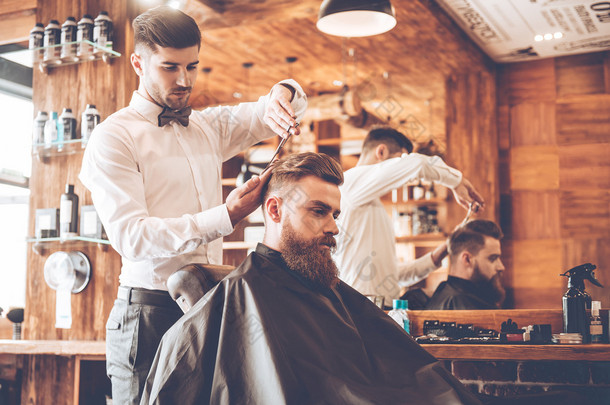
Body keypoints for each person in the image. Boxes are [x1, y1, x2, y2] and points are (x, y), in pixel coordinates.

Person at [78, 6, 307, 404]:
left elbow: (275, 104)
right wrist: (227, 216)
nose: (184, 80)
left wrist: (280, 96)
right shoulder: (113, 137)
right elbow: (132, 237)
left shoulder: (207, 127)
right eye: (169, 67)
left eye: (192, 66)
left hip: (207, 305)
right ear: (138, 62)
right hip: (147, 314)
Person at [140, 152, 483, 404]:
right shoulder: (242, 295)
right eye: (318, 212)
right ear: (274, 210)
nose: (334, 226)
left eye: (334, 214)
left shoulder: (323, 286)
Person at [334, 127, 485, 306]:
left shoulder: (372, 206)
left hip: (379, 309)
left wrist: (443, 250)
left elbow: (392, 276)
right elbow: (418, 165)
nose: (403, 171)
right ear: (381, 151)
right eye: (400, 160)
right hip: (357, 309)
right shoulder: (350, 183)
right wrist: (456, 181)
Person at [425, 220, 506, 310]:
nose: (501, 267)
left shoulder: (445, 292)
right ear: (467, 259)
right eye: (493, 258)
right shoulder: (463, 306)